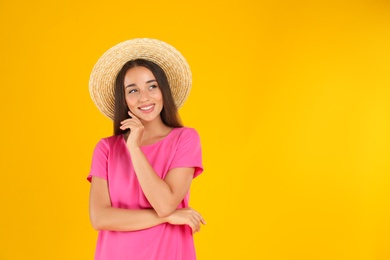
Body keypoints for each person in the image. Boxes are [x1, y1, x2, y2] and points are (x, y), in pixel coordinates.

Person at [87, 38, 206, 260]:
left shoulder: (185, 139)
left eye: (152, 86)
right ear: (124, 99)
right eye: (133, 91)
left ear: (164, 90)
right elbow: (100, 218)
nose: (144, 97)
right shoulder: (106, 148)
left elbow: (164, 204)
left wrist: (134, 149)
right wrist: (168, 218)